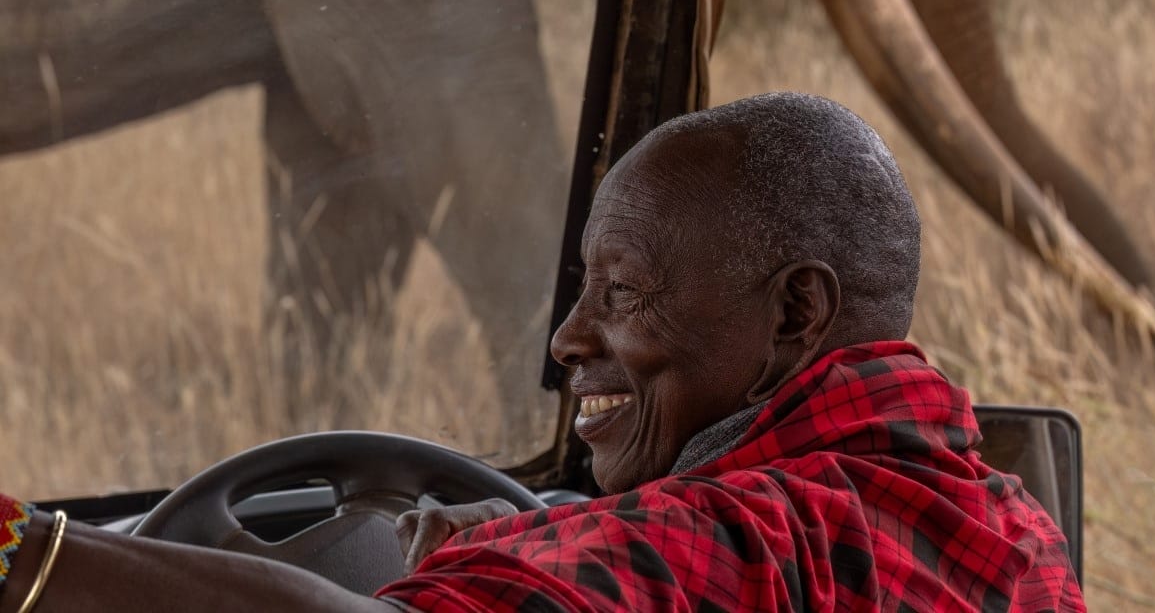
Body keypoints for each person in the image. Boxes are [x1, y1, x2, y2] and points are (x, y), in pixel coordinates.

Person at [0, 93, 1085, 611]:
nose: (570, 339)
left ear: (797, 315)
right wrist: (538, 544)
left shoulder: (761, 539)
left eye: (622, 293)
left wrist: (27, 552)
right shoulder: (1008, 526)